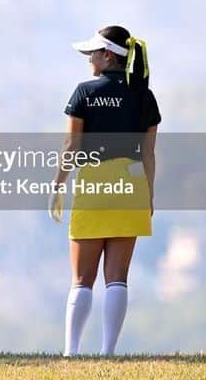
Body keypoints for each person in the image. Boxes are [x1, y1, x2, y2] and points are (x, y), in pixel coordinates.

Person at [48, 25, 160, 356]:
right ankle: (108, 352)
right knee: (117, 278)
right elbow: (148, 152)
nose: (88, 60)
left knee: (82, 279)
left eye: (92, 54)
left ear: (107, 55)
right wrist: (149, 195)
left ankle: (71, 352)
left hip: (95, 183)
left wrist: (57, 186)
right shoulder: (144, 96)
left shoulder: (84, 92)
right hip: (131, 184)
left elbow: (72, 144)